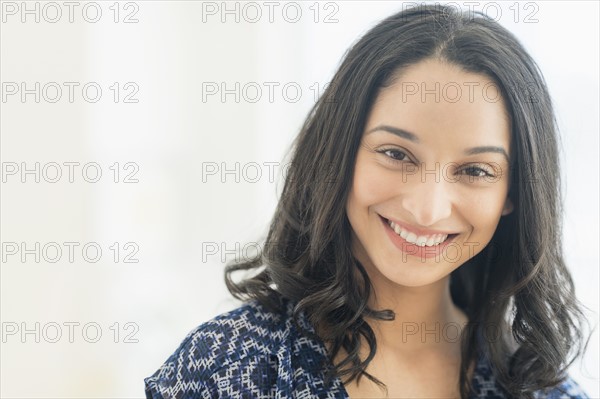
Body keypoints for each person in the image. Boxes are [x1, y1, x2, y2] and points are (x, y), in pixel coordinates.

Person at [144, 4, 592, 398]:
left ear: (511, 195)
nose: (427, 208)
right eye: (396, 154)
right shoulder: (230, 366)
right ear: (338, 153)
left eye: (475, 171)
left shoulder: (543, 392)